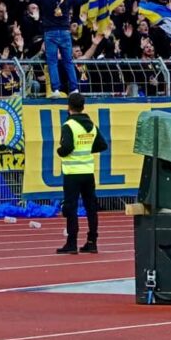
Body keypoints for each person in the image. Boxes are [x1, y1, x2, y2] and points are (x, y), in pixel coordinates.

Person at [56, 92, 106, 254]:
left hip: (72, 173)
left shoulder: (69, 125)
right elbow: (102, 145)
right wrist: (87, 149)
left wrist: (60, 151)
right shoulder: (91, 125)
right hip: (88, 172)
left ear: (69, 107)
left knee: (71, 208)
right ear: (83, 106)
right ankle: (92, 241)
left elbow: (68, 147)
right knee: (91, 207)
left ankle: (71, 243)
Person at [22, 0, 87, 95]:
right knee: (68, 61)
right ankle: (74, 89)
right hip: (65, 33)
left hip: (50, 33)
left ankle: (56, 89)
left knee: (52, 62)